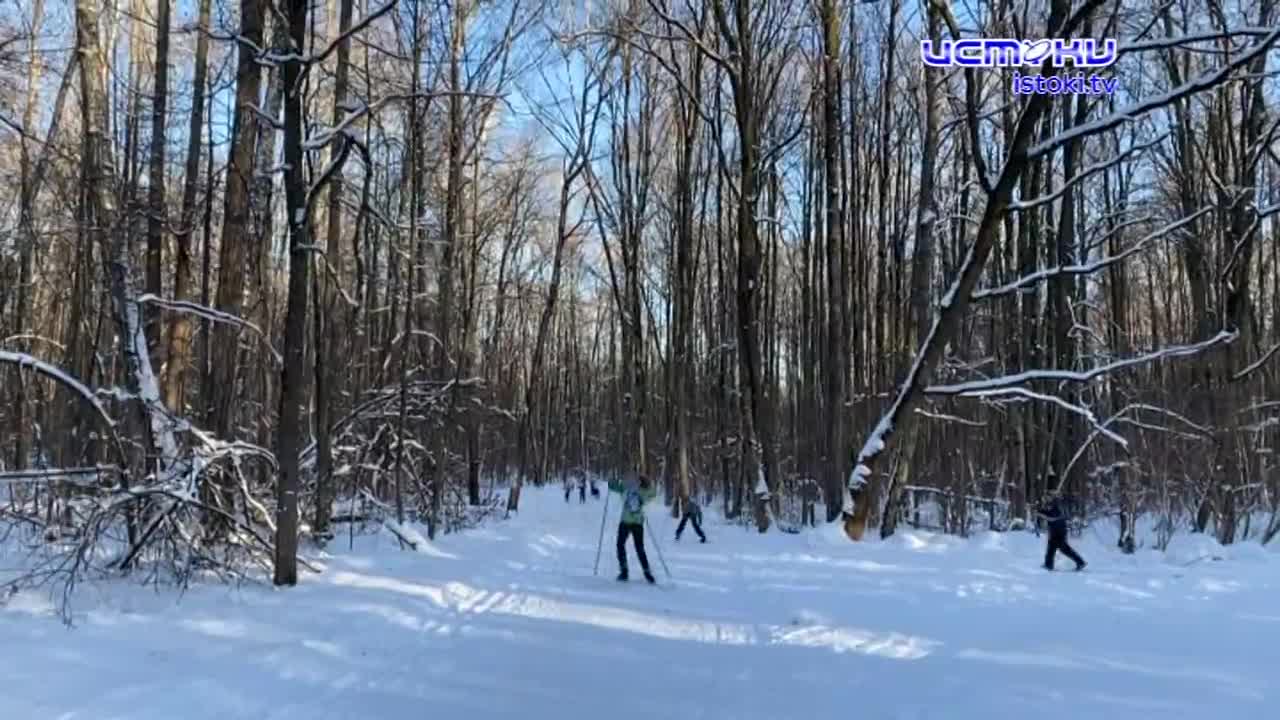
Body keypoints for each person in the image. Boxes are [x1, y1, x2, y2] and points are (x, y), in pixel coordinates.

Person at [609, 473, 657, 583]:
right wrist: (649, 484)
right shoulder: (644, 491)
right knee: (640, 548)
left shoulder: (625, 487)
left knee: (620, 545)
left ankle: (624, 571)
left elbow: (612, 486)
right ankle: (647, 572)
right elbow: (654, 493)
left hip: (625, 521)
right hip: (638, 523)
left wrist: (612, 480)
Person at [1038, 492, 1086, 571]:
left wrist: (1041, 513)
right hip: (1055, 531)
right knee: (1052, 548)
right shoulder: (1052, 505)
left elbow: (1051, 518)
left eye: (1047, 497)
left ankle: (1080, 562)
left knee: (1062, 549)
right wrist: (1040, 512)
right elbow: (1047, 513)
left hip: (1059, 532)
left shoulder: (1056, 505)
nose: (1045, 499)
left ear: (1051, 497)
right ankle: (1048, 565)